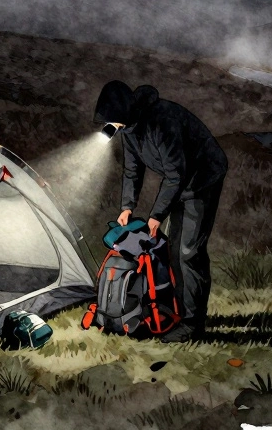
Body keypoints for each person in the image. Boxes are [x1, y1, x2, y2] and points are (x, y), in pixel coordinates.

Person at [93, 80, 228, 343]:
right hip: (179, 181)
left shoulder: (162, 121)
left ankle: (192, 325)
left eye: (114, 122)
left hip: (202, 179)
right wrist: (127, 207)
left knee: (189, 251)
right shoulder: (129, 128)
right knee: (173, 249)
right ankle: (178, 311)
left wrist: (156, 216)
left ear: (124, 112)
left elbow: (176, 174)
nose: (113, 128)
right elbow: (132, 170)